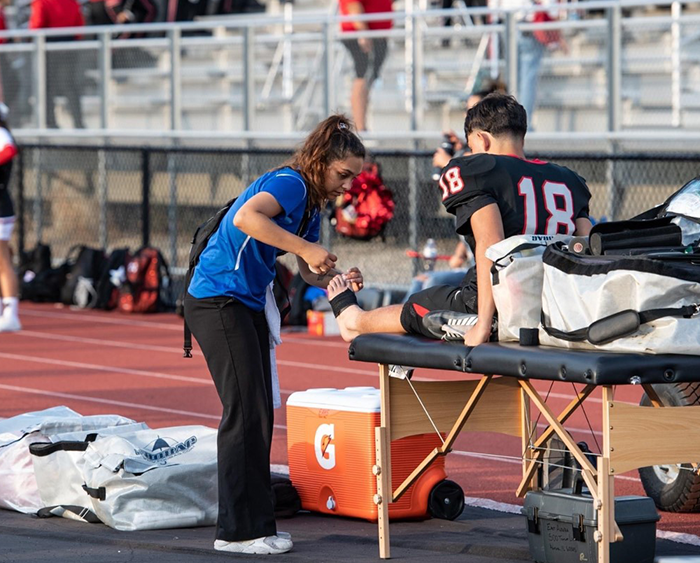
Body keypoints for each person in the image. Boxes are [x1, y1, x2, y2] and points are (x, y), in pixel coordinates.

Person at [184, 114, 365, 556]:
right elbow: (248, 218)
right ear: (321, 161)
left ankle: (253, 524)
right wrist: (305, 247)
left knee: (258, 412)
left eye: (353, 178)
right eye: (343, 174)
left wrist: (337, 278)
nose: (348, 186)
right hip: (217, 298)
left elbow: (307, 268)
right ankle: (237, 531)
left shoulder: (312, 204)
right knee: (245, 414)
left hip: (241, 302)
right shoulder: (293, 184)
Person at [328, 93, 592, 347]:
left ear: (481, 139)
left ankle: (354, 321)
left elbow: (491, 245)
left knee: (420, 304)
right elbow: (588, 251)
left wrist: (484, 322)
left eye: (472, 146)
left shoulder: (475, 170)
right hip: (554, 305)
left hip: (502, 305)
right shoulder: (569, 179)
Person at [28, 0, 86, 129]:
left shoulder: (42, 2)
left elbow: (36, 26)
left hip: (48, 47)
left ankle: (51, 123)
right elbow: (79, 27)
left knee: (48, 87)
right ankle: (79, 123)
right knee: (69, 85)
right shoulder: (72, 2)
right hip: (69, 45)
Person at [338, 0, 393, 132]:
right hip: (361, 35)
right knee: (362, 77)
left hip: (375, 35)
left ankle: (361, 126)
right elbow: (352, 4)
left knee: (367, 80)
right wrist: (363, 31)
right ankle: (359, 128)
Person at [0, 103, 20, 332]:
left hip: (1, 206)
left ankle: (11, 312)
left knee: (2, 259)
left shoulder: (2, 133)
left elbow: (9, 150)